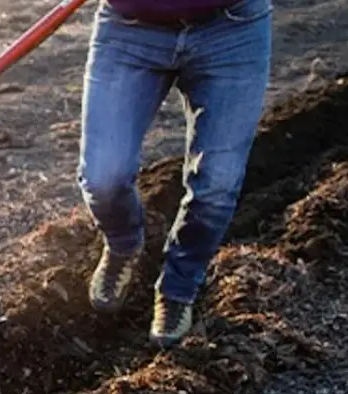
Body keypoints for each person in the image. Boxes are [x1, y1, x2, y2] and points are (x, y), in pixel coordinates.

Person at [78, 0, 273, 347]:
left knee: (217, 184)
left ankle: (178, 287)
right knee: (103, 176)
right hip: (130, 28)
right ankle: (123, 244)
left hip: (231, 28)